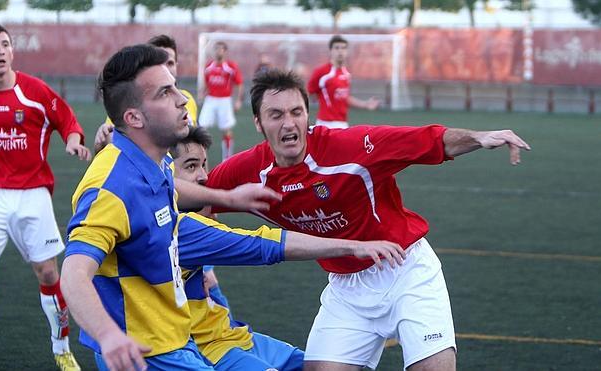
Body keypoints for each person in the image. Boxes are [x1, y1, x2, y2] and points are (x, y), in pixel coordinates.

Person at [60, 44, 406, 371]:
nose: (183, 99)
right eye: (165, 93)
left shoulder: (153, 164)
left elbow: (251, 238)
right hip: (147, 355)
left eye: (175, 87)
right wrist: (108, 336)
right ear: (134, 117)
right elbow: (73, 273)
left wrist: (226, 198)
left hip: (176, 343)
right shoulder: (109, 187)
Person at [205, 69, 532, 371]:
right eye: (276, 115)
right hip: (346, 290)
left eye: (296, 112)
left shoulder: (349, 146)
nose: (288, 123)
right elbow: (196, 204)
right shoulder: (245, 171)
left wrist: (478, 137)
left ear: (308, 116)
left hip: (406, 272)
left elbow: (423, 140)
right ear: (259, 123)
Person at [0, 24, 90, 371]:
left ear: (12, 52)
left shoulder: (34, 91)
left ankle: (62, 349)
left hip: (32, 195)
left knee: (48, 274)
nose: (0, 50)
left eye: (6, 45)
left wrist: (73, 141)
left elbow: (67, 121)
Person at [92, 33, 232, 310]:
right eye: (160, 61)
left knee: (207, 288)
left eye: (171, 61)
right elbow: (111, 151)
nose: (167, 67)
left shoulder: (187, 101)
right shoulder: (130, 109)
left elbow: (194, 153)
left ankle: (219, 324)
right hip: (153, 209)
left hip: (180, 201)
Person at [170, 125, 304, 371]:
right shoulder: (178, 228)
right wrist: (353, 247)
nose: (203, 175)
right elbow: (262, 245)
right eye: (191, 166)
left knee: (319, 365)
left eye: (203, 165)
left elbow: (209, 281)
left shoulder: (198, 213)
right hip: (207, 348)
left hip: (233, 335)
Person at [93, 34, 198, 153]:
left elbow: (198, 144)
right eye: (164, 93)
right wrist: (103, 143)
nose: (183, 100)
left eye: (170, 63)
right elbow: (112, 139)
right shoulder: (128, 107)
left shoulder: (188, 98)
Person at [307, 35, 380, 129]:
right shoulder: (322, 72)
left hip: (343, 124)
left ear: (347, 51)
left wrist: (365, 104)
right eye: (337, 48)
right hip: (325, 124)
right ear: (331, 51)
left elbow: (345, 98)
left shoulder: (346, 74)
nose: (340, 51)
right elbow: (308, 94)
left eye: (343, 48)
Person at [198, 41, 244, 161]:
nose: (218, 51)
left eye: (220, 49)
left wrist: (238, 100)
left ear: (225, 51)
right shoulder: (209, 66)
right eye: (216, 49)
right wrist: (202, 93)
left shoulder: (230, 67)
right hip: (211, 99)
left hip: (225, 100)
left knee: (226, 129)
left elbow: (239, 83)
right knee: (201, 127)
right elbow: (207, 83)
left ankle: (227, 158)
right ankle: (201, 156)